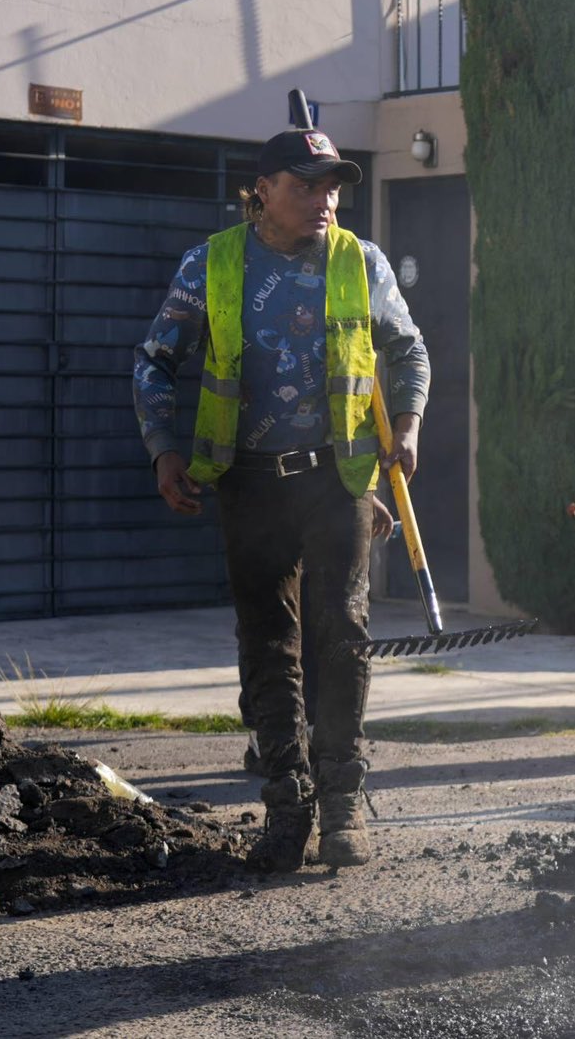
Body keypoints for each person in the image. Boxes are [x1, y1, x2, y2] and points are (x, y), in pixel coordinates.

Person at [134, 126, 429, 870]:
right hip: (250, 479)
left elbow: (408, 348)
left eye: (332, 185)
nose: (324, 200)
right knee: (268, 643)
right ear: (260, 190)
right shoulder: (213, 265)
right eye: (306, 184)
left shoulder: (361, 263)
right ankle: (286, 809)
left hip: (341, 479)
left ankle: (341, 808)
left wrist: (409, 420)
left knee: (344, 635)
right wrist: (165, 448)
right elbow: (154, 362)